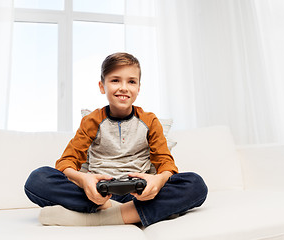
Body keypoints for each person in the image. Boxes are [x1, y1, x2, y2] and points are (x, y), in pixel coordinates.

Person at [24, 52, 208, 227]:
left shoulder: (150, 120)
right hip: (99, 195)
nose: (123, 87)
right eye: (115, 80)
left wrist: (157, 181)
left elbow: (166, 164)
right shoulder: (91, 121)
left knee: (195, 184)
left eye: (131, 81)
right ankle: (133, 214)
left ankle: (101, 218)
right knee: (38, 179)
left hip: (139, 194)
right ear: (102, 86)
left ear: (138, 88)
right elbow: (66, 163)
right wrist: (84, 180)